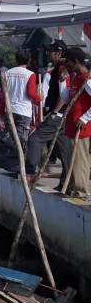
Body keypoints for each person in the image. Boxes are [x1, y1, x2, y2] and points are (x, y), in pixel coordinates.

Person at [26, 42, 71, 177]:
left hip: (58, 114)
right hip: (62, 115)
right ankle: (67, 180)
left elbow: (64, 94)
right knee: (64, 150)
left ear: (59, 53)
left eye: (50, 52)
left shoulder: (62, 68)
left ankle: (29, 172)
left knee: (35, 139)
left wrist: (54, 112)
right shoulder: (58, 68)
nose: (47, 54)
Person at [1, 49, 42, 169]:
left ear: (16, 59)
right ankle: (19, 165)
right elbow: (30, 93)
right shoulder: (30, 74)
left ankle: (10, 164)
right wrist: (40, 97)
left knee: (10, 139)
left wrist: (1, 112)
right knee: (21, 140)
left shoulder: (7, 73)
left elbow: (3, 95)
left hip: (9, 110)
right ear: (28, 60)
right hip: (23, 111)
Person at [60, 48, 89, 195]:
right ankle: (72, 188)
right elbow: (66, 99)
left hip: (81, 128)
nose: (65, 64)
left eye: (67, 61)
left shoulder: (87, 79)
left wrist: (85, 118)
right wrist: (62, 82)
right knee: (72, 159)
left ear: (75, 62)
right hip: (72, 126)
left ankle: (81, 192)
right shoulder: (76, 77)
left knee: (79, 162)